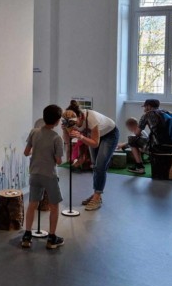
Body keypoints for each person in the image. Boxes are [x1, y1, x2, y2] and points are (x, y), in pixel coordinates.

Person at [22, 104, 65, 250]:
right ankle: (52, 238)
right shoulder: (57, 138)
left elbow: (26, 152)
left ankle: (27, 235)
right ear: (58, 120)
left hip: (34, 173)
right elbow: (59, 161)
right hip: (50, 176)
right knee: (54, 206)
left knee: (32, 204)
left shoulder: (34, 132)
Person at [64, 100, 119, 211]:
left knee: (100, 166)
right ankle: (96, 195)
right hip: (92, 135)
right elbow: (67, 141)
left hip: (109, 135)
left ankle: (97, 197)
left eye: (74, 123)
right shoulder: (69, 120)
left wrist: (81, 137)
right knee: (94, 165)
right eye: (70, 124)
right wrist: (65, 130)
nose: (73, 126)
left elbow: (95, 143)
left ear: (80, 117)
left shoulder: (91, 118)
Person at [139, 99, 172, 180]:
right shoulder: (168, 113)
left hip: (158, 146)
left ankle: (139, 167)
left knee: (132, 140)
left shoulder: (147, 115)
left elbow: (137, 133)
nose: (144, 109)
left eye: (145, 107)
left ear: (149, 106)